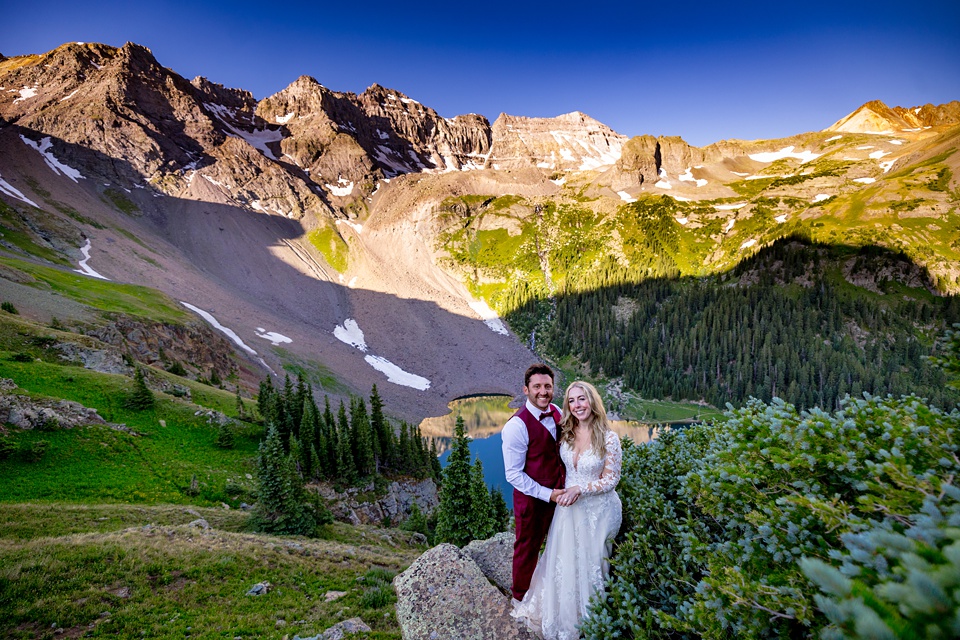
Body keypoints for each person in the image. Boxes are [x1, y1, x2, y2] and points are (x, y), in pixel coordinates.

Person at [511, 380, 623, 640]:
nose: (577, 405)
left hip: (597, 510)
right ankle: (559, 614)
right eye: (571, 401)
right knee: (562, 560)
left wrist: (580, 489)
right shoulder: (567, 432)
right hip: (567, 508)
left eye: (582, 399)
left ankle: (588, 619)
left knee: (590, 563)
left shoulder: (609, 437)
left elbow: (611, 480)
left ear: (592, 401)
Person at [501, 363, 568, 603]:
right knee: (527, 548)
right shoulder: (516, 426)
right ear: (526, 390)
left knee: (560, 544)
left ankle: (553, 593)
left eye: (547, 386)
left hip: (561, 495)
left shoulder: (557, 411)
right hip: (532, 501)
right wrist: (547, 494)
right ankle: (519, 598)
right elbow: (513, 474)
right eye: (537, 386)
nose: (543, 392)